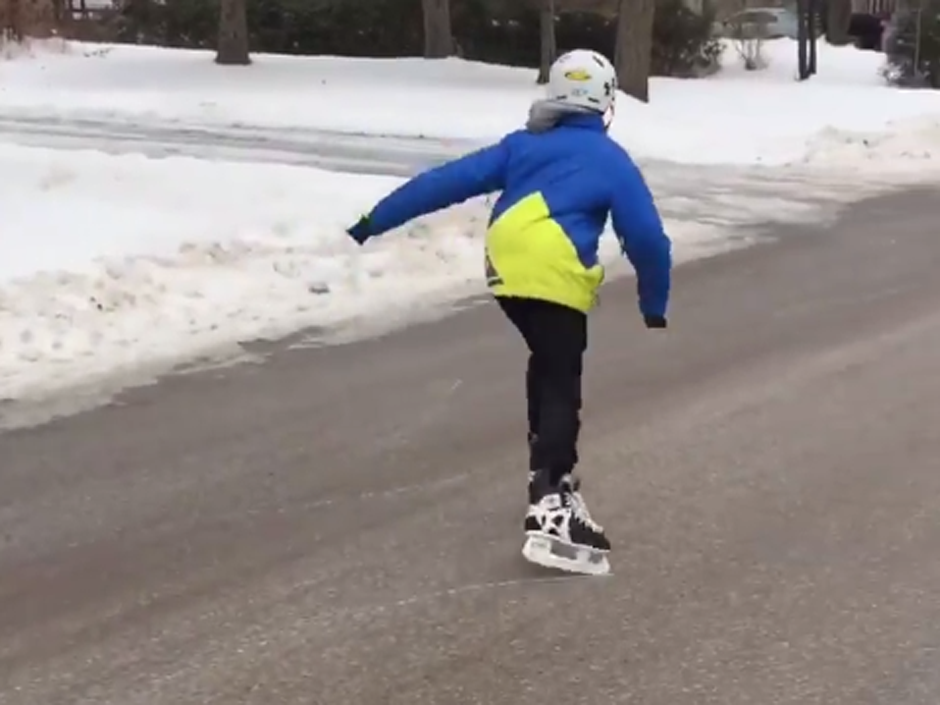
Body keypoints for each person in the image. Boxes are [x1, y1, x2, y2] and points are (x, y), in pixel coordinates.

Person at [346, 48, 672, 572]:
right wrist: (653, 303)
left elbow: (444, 182)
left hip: (505, 265)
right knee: (561, 376)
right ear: (607, 102)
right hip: (554, 268)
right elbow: (647, 238)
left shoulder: (523, 146)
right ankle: (551, 499)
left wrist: (372, 220)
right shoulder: (612, 160)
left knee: (545, 363)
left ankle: (544, 475)